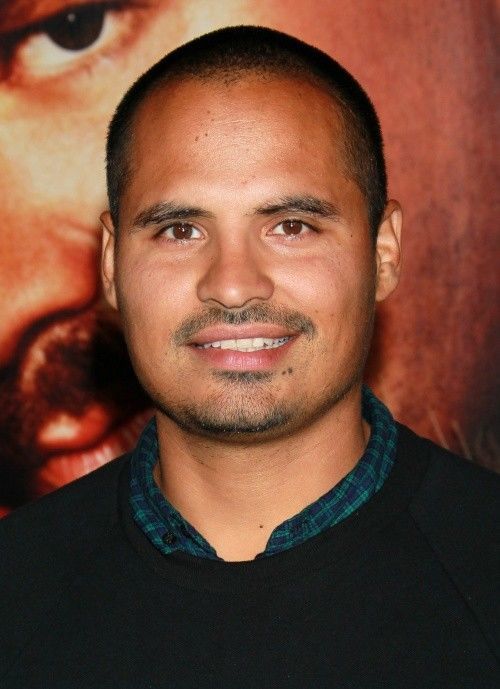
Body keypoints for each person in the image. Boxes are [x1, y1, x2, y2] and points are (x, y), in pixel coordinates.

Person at [1, 26, 498, 688]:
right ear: (113, 265)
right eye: (181, 230)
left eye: (291, 226)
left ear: (383, 253)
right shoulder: (16, 591)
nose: (233, 284)